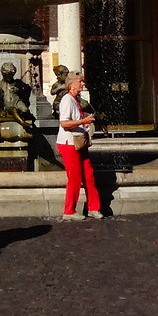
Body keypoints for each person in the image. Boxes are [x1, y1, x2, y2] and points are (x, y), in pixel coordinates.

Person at [56, 69, 103, 220]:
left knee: (88, 175)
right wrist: (84, 121)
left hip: (79, 142)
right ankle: (69, 211)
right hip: (69, 143)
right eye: (80, 81)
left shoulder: (75, 99)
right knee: (75, 177)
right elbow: (64, 123)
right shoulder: (67, 100)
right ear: (71, 84)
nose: (83, 84)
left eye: (82, 81)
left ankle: (93, 208)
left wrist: (85, 123)